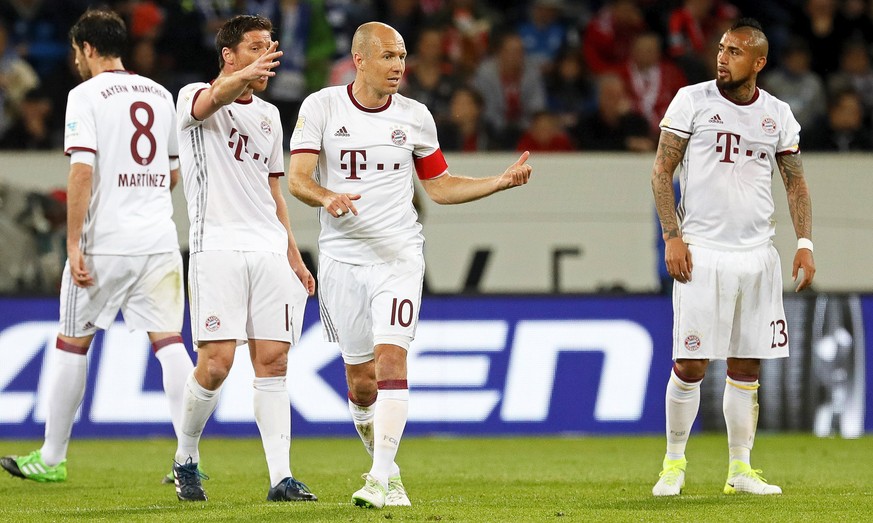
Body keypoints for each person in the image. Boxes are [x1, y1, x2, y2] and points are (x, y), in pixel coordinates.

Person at [286, 21, 532, 509]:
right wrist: (327, 195)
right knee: (360, 384)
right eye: (388, 57)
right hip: (341, 260)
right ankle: (390, 473)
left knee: (392, 359)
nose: (399, 65)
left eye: (402, 56)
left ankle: (378, 476)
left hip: (398, 255)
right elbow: (297, 178)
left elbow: (438, 187)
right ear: (360, 60)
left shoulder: (416, 116)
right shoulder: (322, 107)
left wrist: (498, 182)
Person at [0, 8, 195, 483]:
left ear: (87, 48)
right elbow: (171, 172)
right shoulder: (159, 94)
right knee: (170, 344)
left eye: (76, 52)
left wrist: (72, 242)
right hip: (158, 240)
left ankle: (50, 458)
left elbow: (81, 171)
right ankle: (188, 457)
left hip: (105, 242)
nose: (76, 60)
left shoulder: (85, 94)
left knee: (72, 343)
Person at [650, 18, 815, 497]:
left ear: (759, 62)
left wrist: (804, 243)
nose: (723, 57)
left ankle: (740, 470)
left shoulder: (778, 115)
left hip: (757, 255)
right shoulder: (692, 100)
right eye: (721, 49)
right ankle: (673, 464)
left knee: (747, 367)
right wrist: (671, 235)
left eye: (736, 51)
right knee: (692, 363)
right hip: (702, 251)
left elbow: (795, 181)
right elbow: (662, 170)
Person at [171, 14, 317, 503]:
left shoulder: (271, 117)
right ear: (228, 56)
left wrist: (294, 255)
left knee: (273, 361)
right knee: (215, 364)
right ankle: (185, 457)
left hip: (268, 249)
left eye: (271, 47)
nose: (267, 56)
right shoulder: (194, 96)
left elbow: (273, 192)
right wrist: (239, 79)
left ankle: (281, 478)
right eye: (255, 47)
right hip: (217, 245)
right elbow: (212, 99)